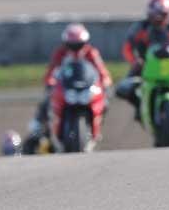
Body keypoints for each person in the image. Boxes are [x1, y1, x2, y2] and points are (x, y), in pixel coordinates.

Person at [24, 23, 112, 152]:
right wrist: (50, 82)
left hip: (85, 89)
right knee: (46, 102)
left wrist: (105, 83)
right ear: (66, 44)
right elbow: (51, 71)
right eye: (72, 46)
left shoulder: (91, 53)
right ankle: (38, 126)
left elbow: (101, 71)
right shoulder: (60, 53)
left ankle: (96, 128)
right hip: (66, 88)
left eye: (79, 45)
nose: (76, 49)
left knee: (105, 103)